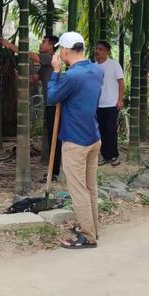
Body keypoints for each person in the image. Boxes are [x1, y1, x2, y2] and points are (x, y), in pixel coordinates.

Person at [47, 32, 103, 249]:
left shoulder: (72, 76)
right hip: (93, 136)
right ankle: (93, 228)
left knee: (78, 189)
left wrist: (55, 72)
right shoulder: (96, 70)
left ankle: (88, 236)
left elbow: (52, 97)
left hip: (76, 140)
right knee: (91, 186)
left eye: (60, 48)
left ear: (66, 51)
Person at [0, 36, 62, 179]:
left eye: (44, 42)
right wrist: (16, 74)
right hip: (50, 105)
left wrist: (8, 44)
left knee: (55, 139)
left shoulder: (49, 58)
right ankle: (55, 170)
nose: (41, 43)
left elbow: (30, 55)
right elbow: (34, 80)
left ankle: (56, 172)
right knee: (54, 138)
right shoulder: (46, 65)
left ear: (51, 46)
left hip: (55, 106)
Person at [95, 41, 124, 167]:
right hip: (98, 104)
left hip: (112, 103)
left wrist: (120, 100)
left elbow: (121, 83)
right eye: (96, 49)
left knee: (111, 130)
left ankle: (114, 155)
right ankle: (105, 155)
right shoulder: (94, 66)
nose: (97, 51)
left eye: (100, 49)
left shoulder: (113, 65)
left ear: (106, 51)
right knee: (101, 130)